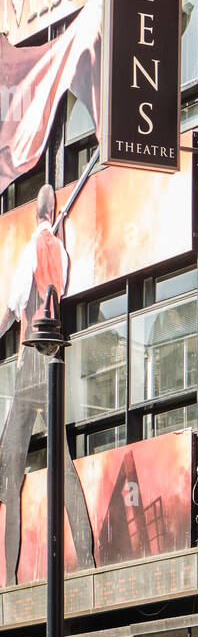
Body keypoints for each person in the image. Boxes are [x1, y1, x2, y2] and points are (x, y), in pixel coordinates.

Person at [0, 184, 95, 584]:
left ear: (33, 213)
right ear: (52, 211)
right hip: (54, 361)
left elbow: (12, 307)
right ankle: (88, 557)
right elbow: (59, 292)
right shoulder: (62, 253)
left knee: (11, 470)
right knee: (63, 463)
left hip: (31, 362)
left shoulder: (30, 250)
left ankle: (8, 579)